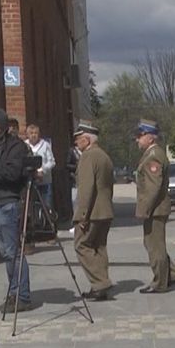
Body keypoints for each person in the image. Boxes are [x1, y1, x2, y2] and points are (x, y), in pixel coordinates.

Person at [0, 108, 34, 312]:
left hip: (8, 203)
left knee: (13, 252)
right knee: (6, 253)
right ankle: (13, 292)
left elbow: (11, 173)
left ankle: (22, 295)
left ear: (0, 126)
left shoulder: (15, 146)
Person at [71, 122, 114, 300]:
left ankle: (100, 283)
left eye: (78, 139)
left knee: (81, 245)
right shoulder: (104, 156)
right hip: (105, 210)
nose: (75, 143)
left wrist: (82, 216)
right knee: (99, 247)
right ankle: (101, 284)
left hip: (92, 212)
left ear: (87, 139)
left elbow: (86, 189)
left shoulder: (88, 157)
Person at [132, 118, 175, 294]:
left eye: (140, 135)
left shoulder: (154, 155)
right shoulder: (152, 153)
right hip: (156, 208)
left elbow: (153, 187)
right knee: (153, 243)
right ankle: (171, 274)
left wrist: (144, 210)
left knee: (154, 245)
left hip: (155, 209)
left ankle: (160, 283)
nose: (137, 139)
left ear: (150, 137)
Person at [24, 123, 56, 213]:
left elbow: (52, 162)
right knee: (31, 204)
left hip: (45, 181)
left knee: (46, 204)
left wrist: (42, 170)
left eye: (35, 133)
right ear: (27, 134)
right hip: (30, 181)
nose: (33, 135)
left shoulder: (45, 145)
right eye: (31, 133)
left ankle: (47, 223)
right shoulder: (24, 145)